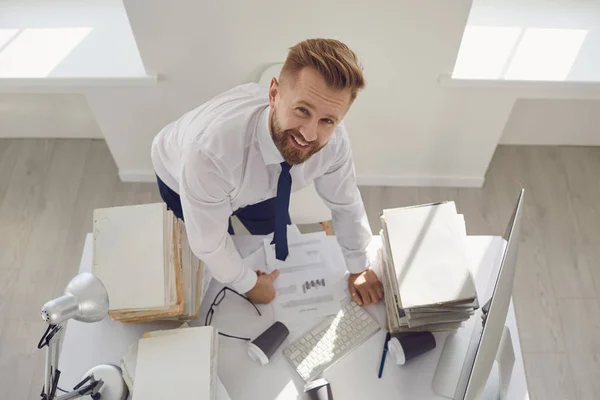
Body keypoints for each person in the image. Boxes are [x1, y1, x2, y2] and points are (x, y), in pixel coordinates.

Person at [151, 38, 383, 306]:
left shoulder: (335, 143)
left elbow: (345, 203)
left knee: (272, 233)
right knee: (210, 253)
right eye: (302, 110)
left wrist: (358, 267)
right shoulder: (210, 155)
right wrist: (247, 283)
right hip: (180, 175)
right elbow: (208, 244)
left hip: (259, 186)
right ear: (273, 94)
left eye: (327, 120)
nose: (309, 134)